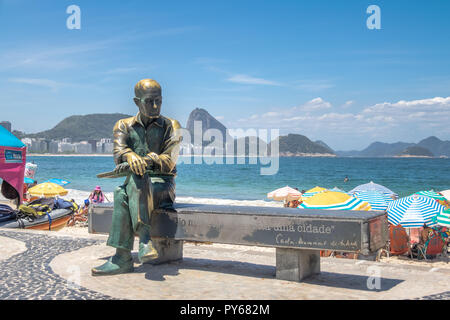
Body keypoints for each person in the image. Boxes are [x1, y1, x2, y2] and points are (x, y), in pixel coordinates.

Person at [91, 79, 181, 276]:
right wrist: (130, 156)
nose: (155, 106)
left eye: (159, 101)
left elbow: (170, 160)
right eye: (149, 101)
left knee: (130, 183)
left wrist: (147, 161)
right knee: (125, 188)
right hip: (137, 186)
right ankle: (142, 243)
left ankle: (125, 255)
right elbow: (118, 154)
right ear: (136, 102)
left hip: (163, 186)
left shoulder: (171, 125)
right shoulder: (123, 126)